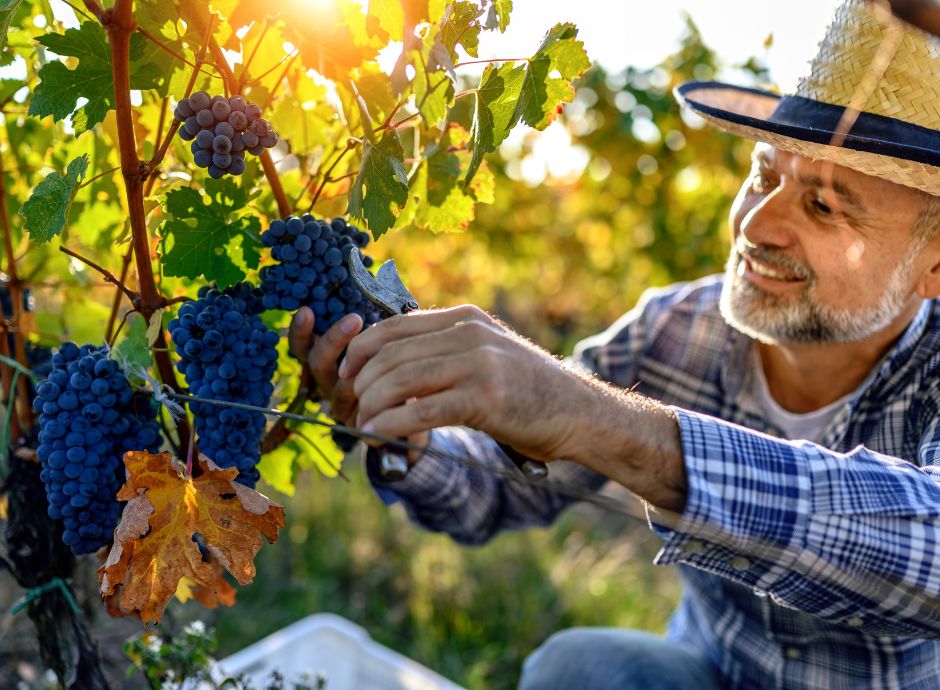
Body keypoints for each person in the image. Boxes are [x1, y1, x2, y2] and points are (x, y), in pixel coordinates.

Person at [289, 0, 940, 687]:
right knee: (583, 668)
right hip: (715, 672)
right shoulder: (675, 328)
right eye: (763, 175)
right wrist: (411, 432)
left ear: (933, 264)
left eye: (824, 206)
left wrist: (606, 423)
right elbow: (500, 490)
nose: (759, 224)